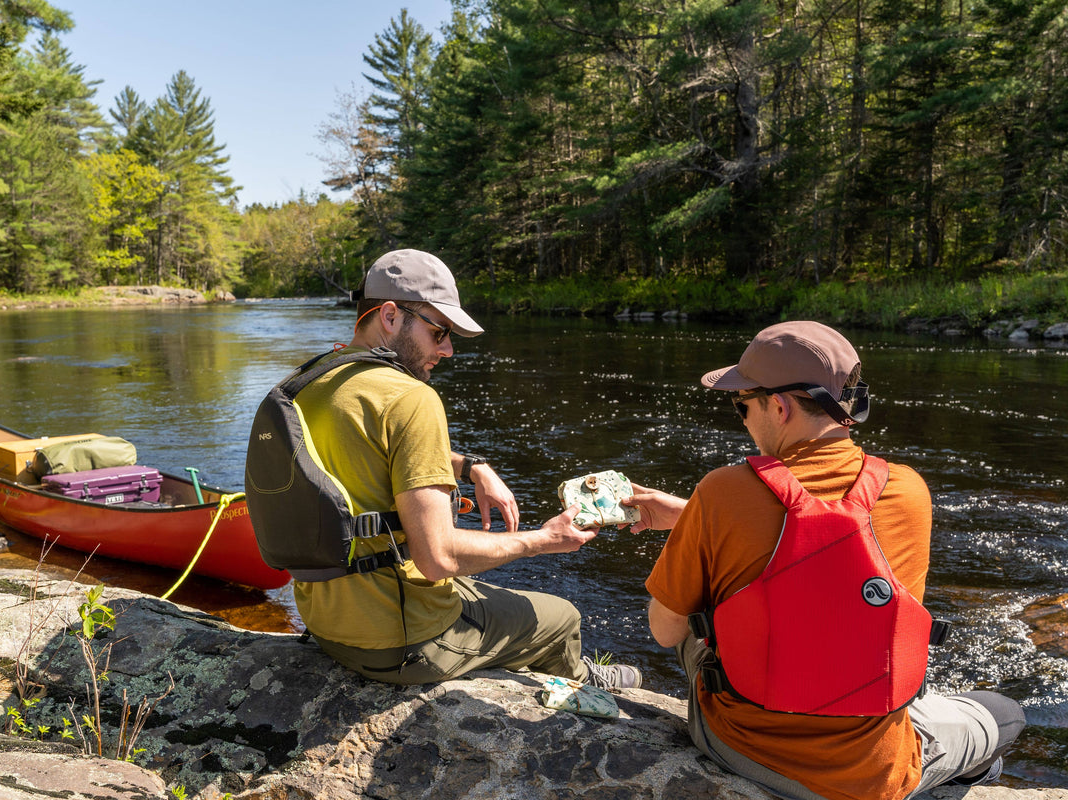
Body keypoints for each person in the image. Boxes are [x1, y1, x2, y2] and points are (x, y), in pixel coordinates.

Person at [629, 321, 1025, 800]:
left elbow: (665, 630)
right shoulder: (910, 491)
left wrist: (701, 524)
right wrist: (695, 518)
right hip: (872, 775)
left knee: (697, 621)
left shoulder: (720, 493)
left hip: (742, 751)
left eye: (742, 405)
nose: (744, 418)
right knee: (1005, 713)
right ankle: (968, 777)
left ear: (779, 406)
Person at [251, 248, 640, 689]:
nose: (449, 349)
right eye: (439, 332)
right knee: (561, 617)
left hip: (326, 625)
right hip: (402, 644)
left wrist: (471, 466)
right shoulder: (411, 397)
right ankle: (583, 687)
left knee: (486, 594)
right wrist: (544, 540)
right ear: (392, 316)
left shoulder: (308, 381)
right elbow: (438, 559)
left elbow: (372, 447)